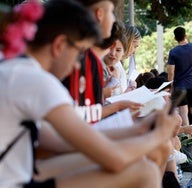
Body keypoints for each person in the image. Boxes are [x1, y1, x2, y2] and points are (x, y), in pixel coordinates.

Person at [0, 1, 179, 188]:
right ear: (60, 45)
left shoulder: (13, 67)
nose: (78, 65)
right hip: (17, 179)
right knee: (144, 171)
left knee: (145, 164)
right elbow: (115, 159)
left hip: (21, 170)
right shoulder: (38, 81)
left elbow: (55, 140)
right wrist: (160, 134)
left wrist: (138, 130)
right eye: (78, 54)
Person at [167, 26, 192, 144]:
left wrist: (170, 87)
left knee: (184, 113)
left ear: (175, 38)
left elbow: (171, 72)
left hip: (179, 86)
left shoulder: (173, 52)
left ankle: (189, 140)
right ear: (185, 35)